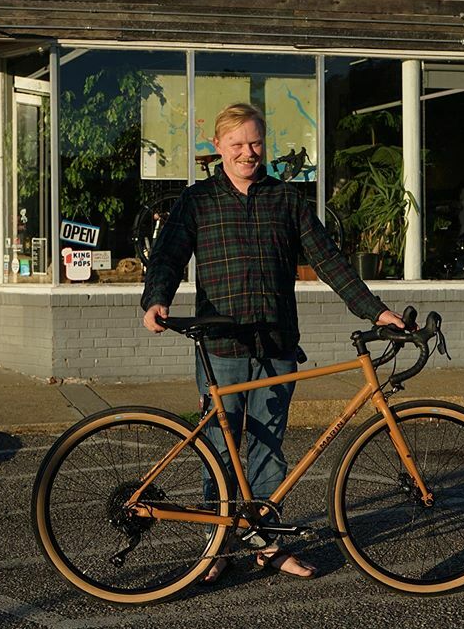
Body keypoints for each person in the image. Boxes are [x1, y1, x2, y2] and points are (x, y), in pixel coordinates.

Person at [142, 102, 405, 583]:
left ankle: (265, 543)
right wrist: (156, 298)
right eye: (237, 144)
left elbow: (330, 262)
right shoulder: (198, 201)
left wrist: (376, 310)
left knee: (268, 448)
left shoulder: (287, 200)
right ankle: (217, 543)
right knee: (220, 447)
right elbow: (168, 256)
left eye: (255, 143)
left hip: (277, 343)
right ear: (217, 146)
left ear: (265, 145)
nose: (248, 153)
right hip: (220, 346)